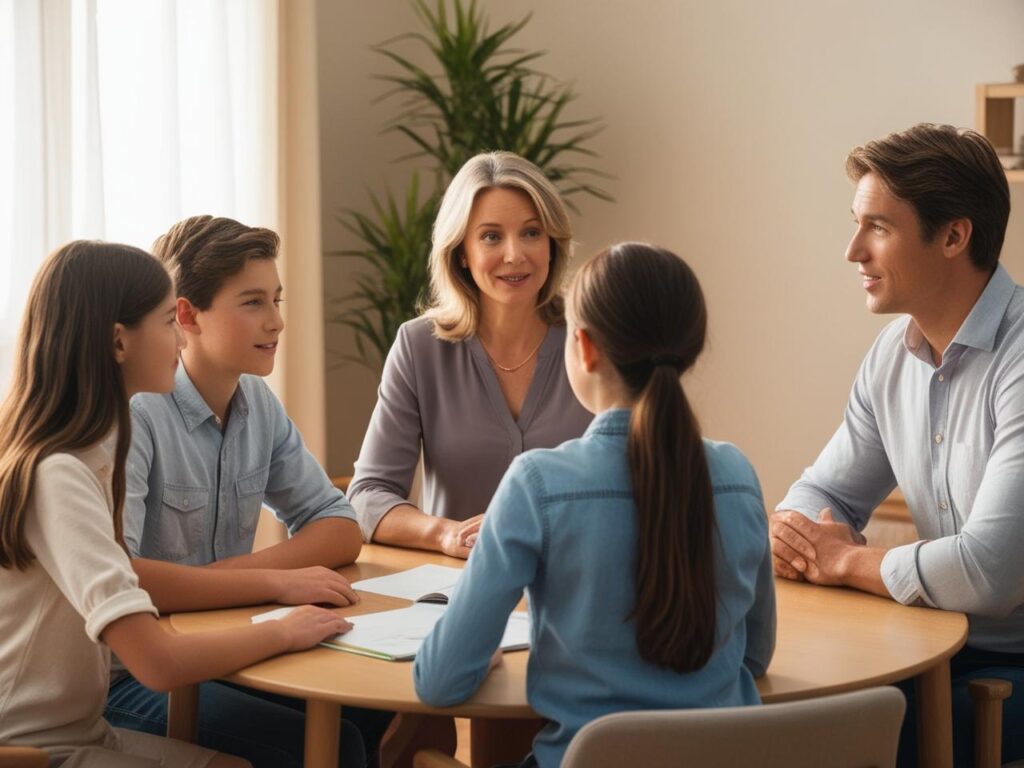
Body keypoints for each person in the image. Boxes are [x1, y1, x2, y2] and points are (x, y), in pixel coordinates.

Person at [414, 243, 776, 768]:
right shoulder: (738, 476)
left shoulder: (537, 484)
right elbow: (755, 657)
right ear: (689, 349)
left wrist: (481, 653)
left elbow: (439, 680)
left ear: (583, 348)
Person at [0, 241, 353, 767]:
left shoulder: (93, 455)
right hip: (34, 749)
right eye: (169, 322)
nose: (182, 337)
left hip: (85, 729)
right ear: (119, 341)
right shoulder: (60, 474)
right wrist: (283, 628)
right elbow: (157, 663)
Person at [770, 123, 1022, 765]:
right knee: (758, 708)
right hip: (930, 642)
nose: (853, 251)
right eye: (856, 225)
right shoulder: (892, 355)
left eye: (878, 227)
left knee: (834, 739)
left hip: (1011, 666)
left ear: (953, 236)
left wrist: (846, 561)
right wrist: (796, 535)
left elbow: (988, 573)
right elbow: (822, 492)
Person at [104, 216, 390, 768]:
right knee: (333, 743)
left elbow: (339, 526)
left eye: (276, 300)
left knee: (368, 707)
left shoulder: (258, 404)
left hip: (223, 649)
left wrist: (231, 577)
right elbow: (127, 576)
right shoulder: (138, 412)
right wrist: (273, 581)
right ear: (187, 315)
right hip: (128, 676)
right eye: (253, 302)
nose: (277, 321)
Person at [348, 151, 593, 559]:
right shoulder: (419, 347)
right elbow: (368, 497)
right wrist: (446, 534)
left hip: (579, 579)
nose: (514, 254)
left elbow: (644, 480)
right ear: (461, 251)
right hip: (459, 584)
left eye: (531, 232)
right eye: (491, 236)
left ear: (552, 243)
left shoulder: (595, 337)